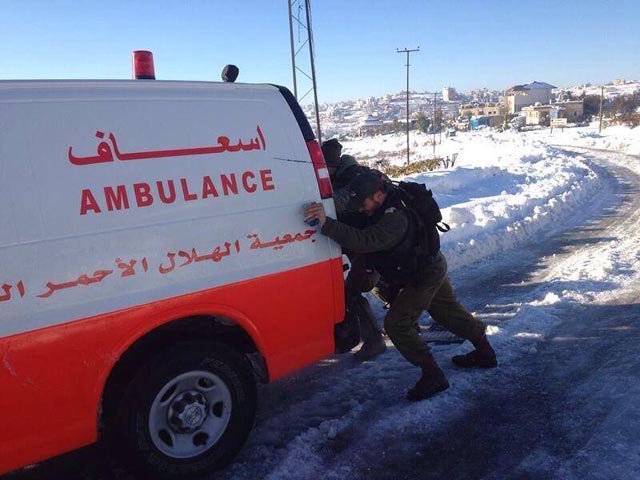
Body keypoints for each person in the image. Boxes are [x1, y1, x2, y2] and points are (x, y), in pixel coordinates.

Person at [303, 171, 497, 401]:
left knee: (397, 323)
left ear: (377, 195)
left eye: (363, 204)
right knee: (446, 310)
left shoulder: (396, 218)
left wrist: (327, 224)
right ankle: (485, 351)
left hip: (424, 273)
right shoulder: (380, 202)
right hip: (427, 264)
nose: (361, 209)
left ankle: (432, 374)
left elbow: (366, 241)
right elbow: (354, 209)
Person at [321, 139, 386, 361]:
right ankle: (406, 322)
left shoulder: (352, 179)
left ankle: (374, 341)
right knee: (385, 280)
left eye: (325, 167)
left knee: (352, 293)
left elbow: (336, 203)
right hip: (367, 244)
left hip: (367, 245)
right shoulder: (348, 175)